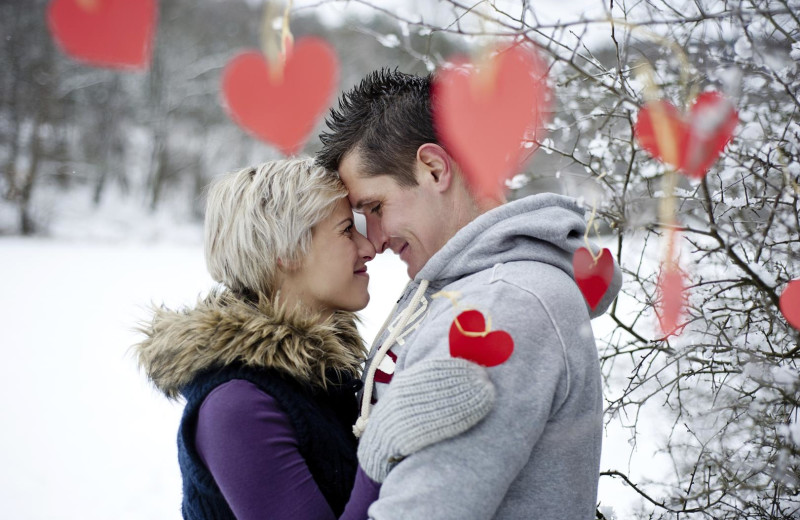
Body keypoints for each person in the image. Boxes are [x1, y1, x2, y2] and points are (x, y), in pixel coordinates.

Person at [316, 69, 623, 519]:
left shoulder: (498, 307)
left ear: (434, 168)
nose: (375, 240)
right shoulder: (470, 288)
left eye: (376, 208)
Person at [134, 158, 495, 520]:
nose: (369, 247)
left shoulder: (321, 378)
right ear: (285, 252)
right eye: (345, 230)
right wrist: (386, 442)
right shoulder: (237, 406)